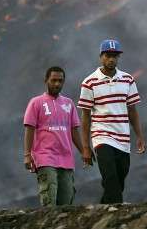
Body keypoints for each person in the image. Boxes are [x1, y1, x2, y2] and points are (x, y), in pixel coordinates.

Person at [78, 39, 145, 204]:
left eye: (115, 56)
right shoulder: (89, 82)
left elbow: (132, 111)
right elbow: (85, 116)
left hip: (123, 138)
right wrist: (86, 147)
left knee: (119, 179)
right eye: (108, 55)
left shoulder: (128, 80)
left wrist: (140, 136)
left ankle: (104, 210)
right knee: (110, 176)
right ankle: (119, 213)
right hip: (102, 136)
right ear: (101, 56)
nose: (111, 59)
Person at [23, 66, 89, 206]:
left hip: (66, 159)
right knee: (49, 199)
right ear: (46, 80)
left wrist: (84, 151)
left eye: (60, 81)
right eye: (53, 80)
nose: (57, 84)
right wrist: (27, 155)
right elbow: (29, 129)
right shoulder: (36, 102)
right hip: (45, 157)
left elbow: (73, 131)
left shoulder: (69, 103)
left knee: (66, 202)